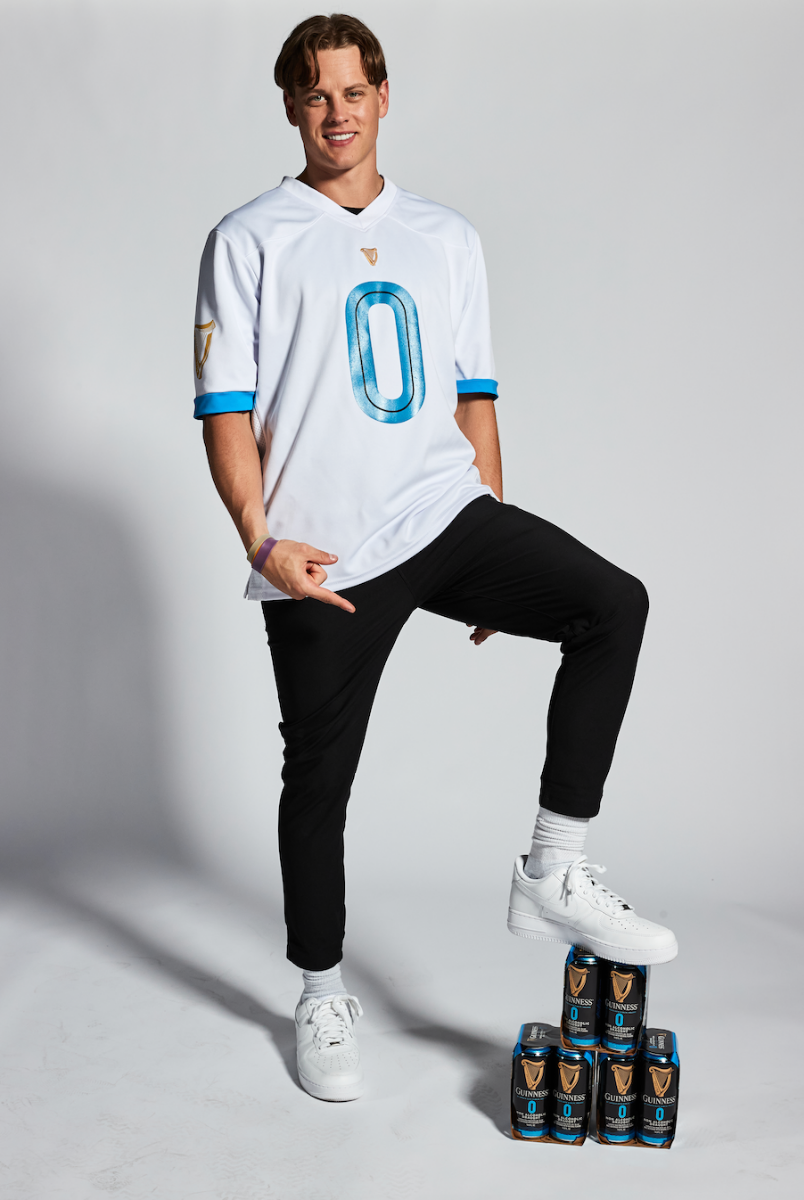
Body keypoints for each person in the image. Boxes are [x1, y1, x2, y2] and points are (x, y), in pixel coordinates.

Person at [193, 13, 677, 1104]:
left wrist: (488, 534)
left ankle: (554, 865)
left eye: (353, 92)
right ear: (290, 108)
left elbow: (476, 396)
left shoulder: (446, 238)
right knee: (319, 780)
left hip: (444, 515)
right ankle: (320, 994)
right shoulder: (249, 237)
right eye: (315, 96)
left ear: (384, 97)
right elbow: (224, 414)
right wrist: (264, 541)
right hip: (323, 553)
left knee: (614, 604)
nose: (336, 114)